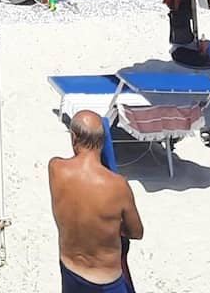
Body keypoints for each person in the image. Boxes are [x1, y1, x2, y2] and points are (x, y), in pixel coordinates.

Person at [49, 109, 144, 293]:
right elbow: (136, 232)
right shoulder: (117, 186)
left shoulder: (55, 169)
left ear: (74, 137)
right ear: (102, 141)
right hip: (105, 282)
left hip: (70, 270)